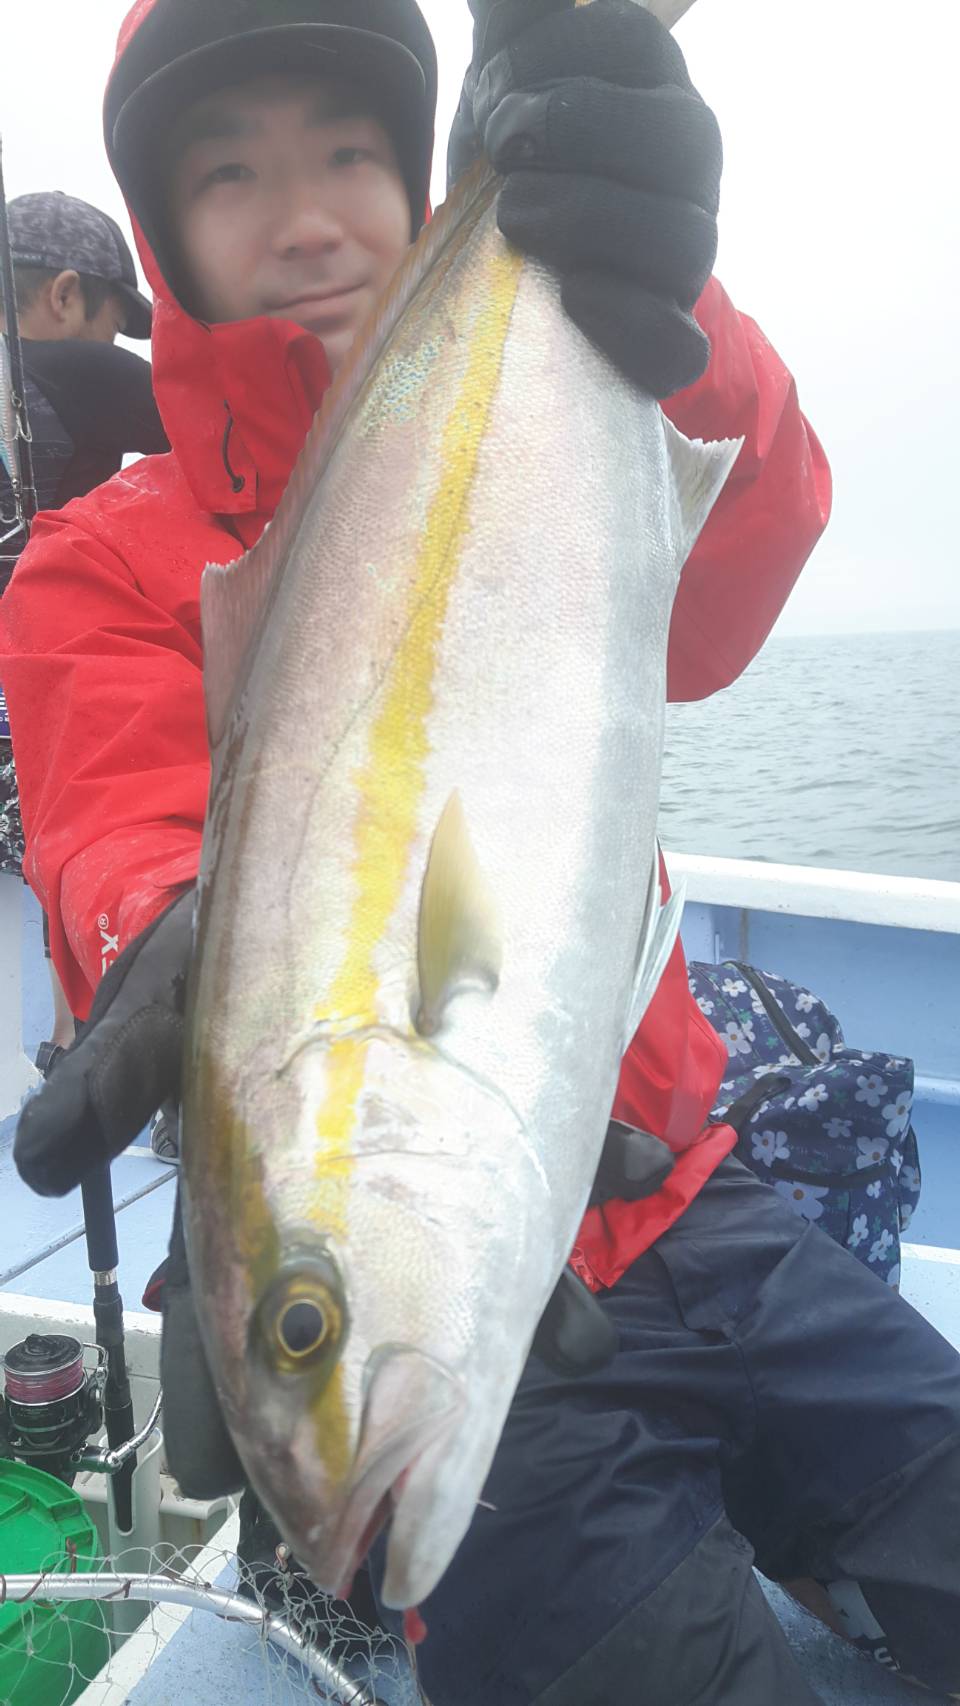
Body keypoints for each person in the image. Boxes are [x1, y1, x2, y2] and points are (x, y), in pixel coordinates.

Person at [5, 3, 959, 1703]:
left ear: (416, 171)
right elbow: (117, 824)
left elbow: (734, 579)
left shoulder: (557, 371)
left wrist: (653, 291)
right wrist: (180, 919)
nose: (305, 215)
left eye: (347, 152)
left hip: (686, 1197)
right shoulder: (105, 562)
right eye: (231, 173)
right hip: (507, 1344)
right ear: (161, 234)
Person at [0, 191, 168, 1072]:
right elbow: (239, 435)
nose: (115, 346)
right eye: (113, 323)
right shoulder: (78, 373)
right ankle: (85, 1042)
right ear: (65, 295)